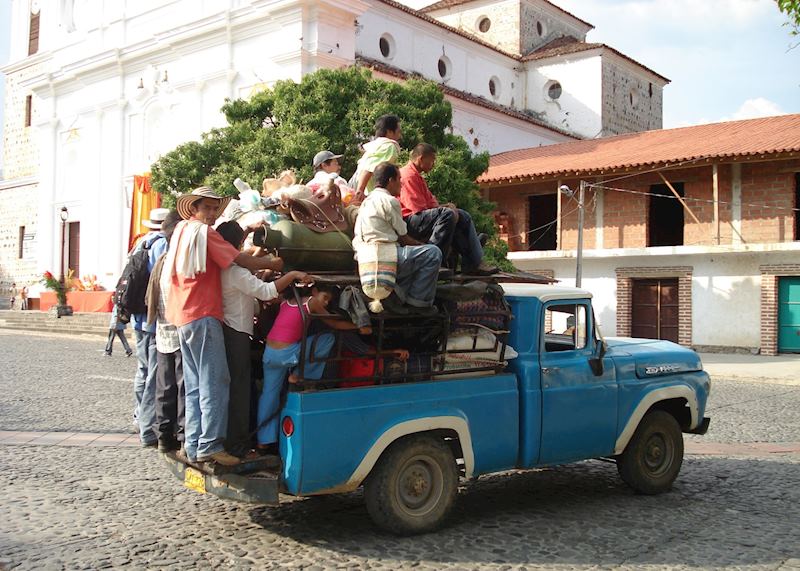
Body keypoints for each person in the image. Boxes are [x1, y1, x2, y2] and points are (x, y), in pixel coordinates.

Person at [165, 186, 285, 466]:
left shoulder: (181, 231)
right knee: (216, 381)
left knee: (195, 384)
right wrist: (272, 262)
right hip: (203, 312)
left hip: (182, 314)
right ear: (194, 208)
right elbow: (238, 258)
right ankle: (210, 445)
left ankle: (195, 444)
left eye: (212, 209)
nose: (209, 213)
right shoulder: (205, 233)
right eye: (205, 208)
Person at [216, 220, 310, 458]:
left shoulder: (223, 266)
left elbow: (247, 265)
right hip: (237, 332)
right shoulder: (235, 271)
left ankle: (246, 441)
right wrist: (291, 275)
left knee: (243, 388)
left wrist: (251, 236)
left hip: (230, 329)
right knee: (239, 390)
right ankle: (237, 446)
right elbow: (267, 291)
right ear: (236, 245)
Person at [255, 283, 358, 453]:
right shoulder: (312, 302)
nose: (325, 303)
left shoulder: (284, 301)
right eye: (325, 298)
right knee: (327, 338)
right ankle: (298, 376)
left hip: (270, 354)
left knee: (269, 395)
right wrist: (359, 327)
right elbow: (335, 324)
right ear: (315, 291)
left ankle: (263, 441)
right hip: (288, 353)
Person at [353, 162, 442, 312]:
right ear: (390, 181)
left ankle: (399, 298)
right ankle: (418, 304)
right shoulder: (390, 201)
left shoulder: (366, 202)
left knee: (411, 256)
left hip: (364, 257)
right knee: (433, 254)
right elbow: (404, 238)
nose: (401, 184)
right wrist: (424, 245)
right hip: (383, 256)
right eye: (399, 179)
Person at [399, 143, 496, 275]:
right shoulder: (408, 175)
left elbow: (431, 203)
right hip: (411, 220)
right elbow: (417, 208)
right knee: (448, 215)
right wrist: (446, 210)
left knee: (462, 215)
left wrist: (447, 206)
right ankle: (435, 259)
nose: (433, 164)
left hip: (421, 216)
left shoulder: (418, 176)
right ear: (421, 159)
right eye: (432, 160)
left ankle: (473, 260)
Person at [144, 209, 185, 453]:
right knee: (181, 386)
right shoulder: (177, 261)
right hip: (178, 330)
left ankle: (163, 436)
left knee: (165, 386)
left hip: (162, 331)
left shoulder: (162, 259)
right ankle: (179, 434)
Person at [131, 207, 170, 447]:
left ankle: (138, 416)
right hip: (153, 318)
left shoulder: (141, 243)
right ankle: (147, 427)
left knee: (143, 371)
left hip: (138, 316)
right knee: (155, 375)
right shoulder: (161, 245)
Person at [352, 115, 402, 202]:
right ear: (389, 132)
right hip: (371, 196)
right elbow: (369, 168)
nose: (400, 136)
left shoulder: (375, 145)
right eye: (398, 132)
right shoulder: (389, 146)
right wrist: (360, 191)